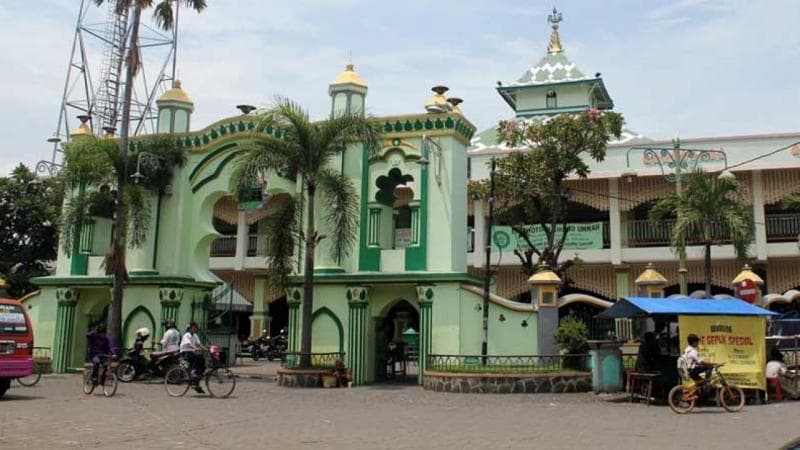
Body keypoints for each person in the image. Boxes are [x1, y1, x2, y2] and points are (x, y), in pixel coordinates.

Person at [180, 322, 206, 393]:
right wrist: (195, 348)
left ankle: (196, 382)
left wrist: (204, 348)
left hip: (192, 352)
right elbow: (189, 344)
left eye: (196, 328)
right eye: (194, 328)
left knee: (202, 360)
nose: (195, 329)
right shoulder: (186, 335)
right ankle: (193, 371)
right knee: (196, 356)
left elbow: (198, 344)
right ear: (190, 328)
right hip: (185, 352)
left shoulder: (195, 335)